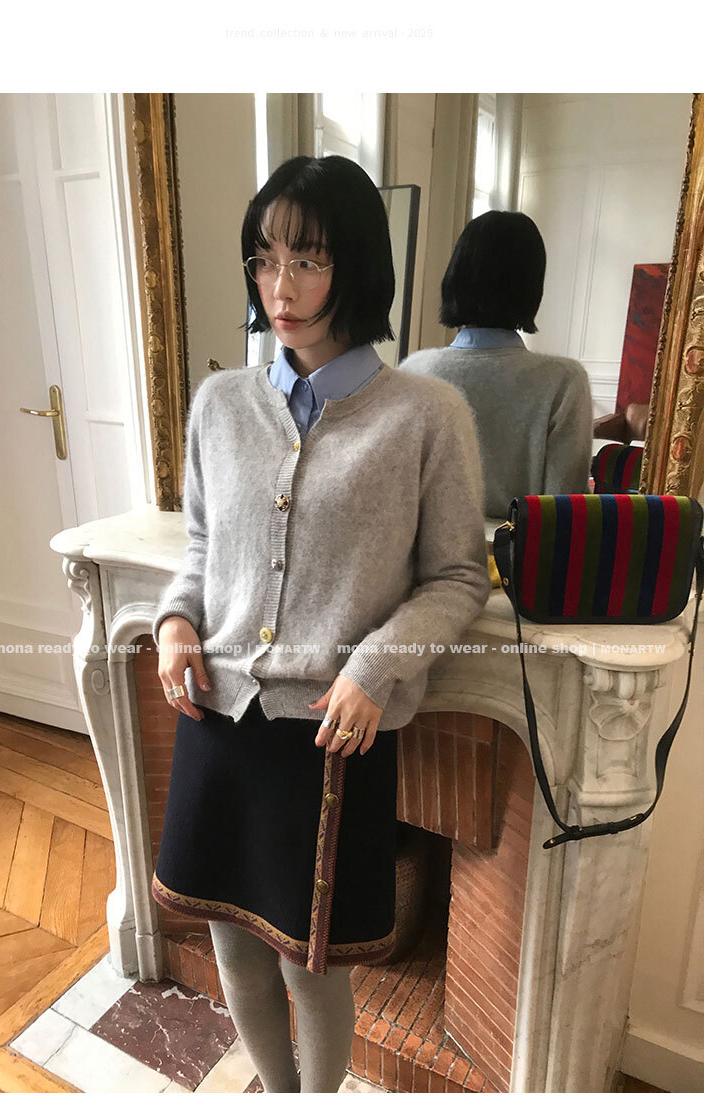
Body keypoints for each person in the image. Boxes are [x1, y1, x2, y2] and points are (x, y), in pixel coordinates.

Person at [150, 155, 491, 1093]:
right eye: (265, 259)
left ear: (358, 265)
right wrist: (176, 619)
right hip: (217, 717)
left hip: (331, 734)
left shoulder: (426, 415)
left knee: (313, 965)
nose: (281, 286)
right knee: (232, 943)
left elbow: (459, 576)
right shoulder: (221, 404)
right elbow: (202, 547)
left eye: (307, 259)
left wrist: (377, 667)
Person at [400, 210, 594, 520]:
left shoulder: (413, 370)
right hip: (516, 551)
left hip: (421, 550)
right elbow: (563, 514)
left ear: (454, 276)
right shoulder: (564, 381)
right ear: (532, 286)